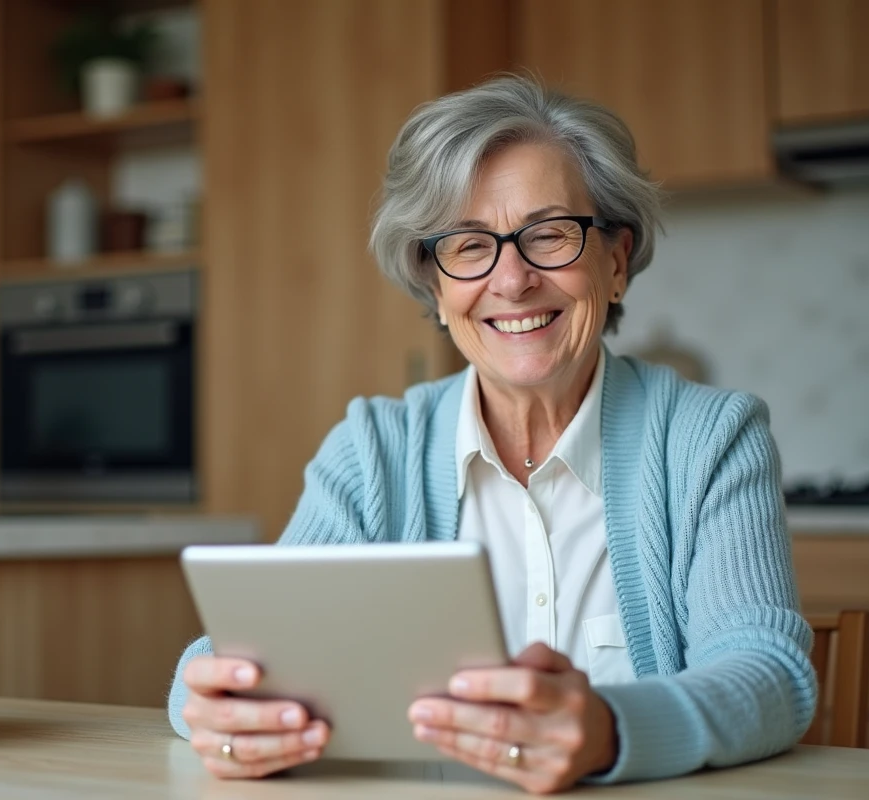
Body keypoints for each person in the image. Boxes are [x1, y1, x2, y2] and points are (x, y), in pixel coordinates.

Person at [166, 74, 816, 794]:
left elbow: (770, 677)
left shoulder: (711, 438)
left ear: (616, 260)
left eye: (548, 235)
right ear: (437, 290)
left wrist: (609, 730)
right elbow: (248, 650)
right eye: (469, 246)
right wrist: (214, 704)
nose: (512, 280)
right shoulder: (374, 449)